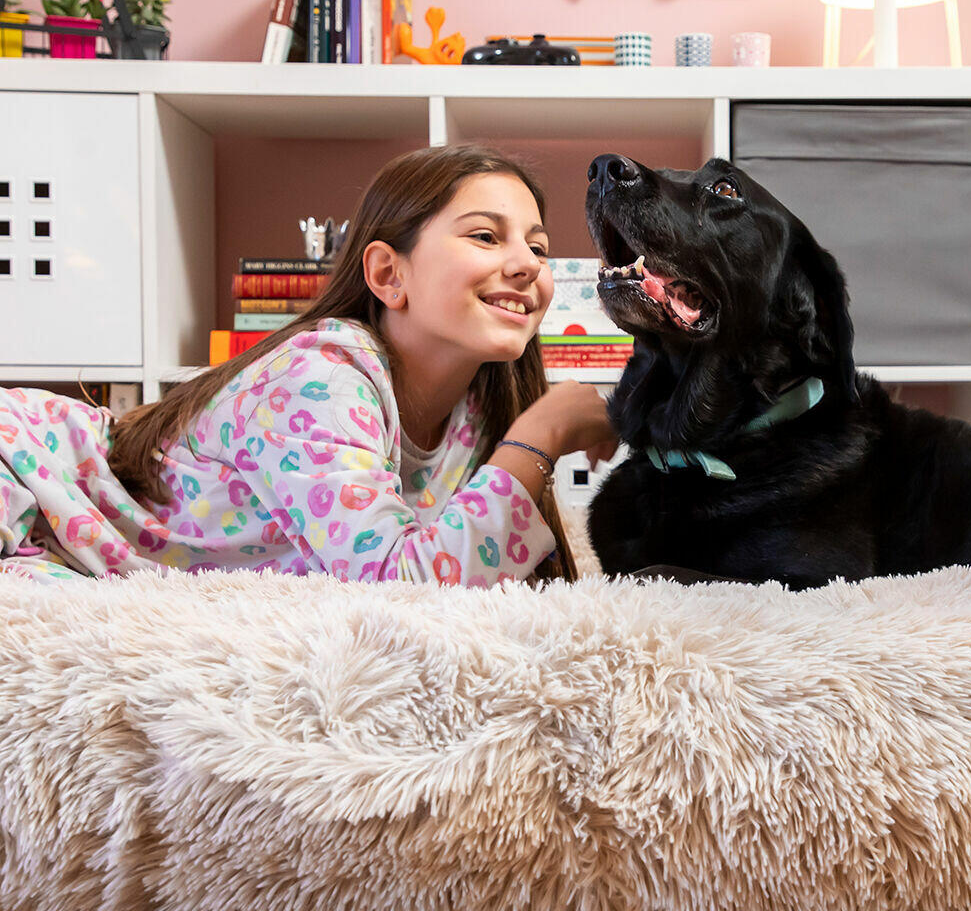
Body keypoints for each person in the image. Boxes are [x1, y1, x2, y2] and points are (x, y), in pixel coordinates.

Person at [0, 145, 618, 586]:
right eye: (486, 236)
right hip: (27, 474)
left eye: (537, 246)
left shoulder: (479, 409)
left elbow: (458, 569)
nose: (529, 264)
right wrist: (541, 437)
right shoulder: (320, 376)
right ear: (387, 275)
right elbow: (399, 585)